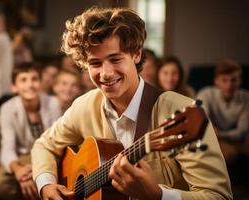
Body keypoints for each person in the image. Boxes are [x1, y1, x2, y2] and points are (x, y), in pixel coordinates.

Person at [31, 7, 232, 200]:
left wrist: (159, 196)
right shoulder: (84, 106)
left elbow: (218, 196)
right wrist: (46, 184)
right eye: (95, 63)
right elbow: (44, 145)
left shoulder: (181, 112)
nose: (106, 73)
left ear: (136, 54)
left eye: (115, 59)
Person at [0, 62, 62, 200]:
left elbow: (57, 141)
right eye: (23, 80)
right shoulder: (7, 108)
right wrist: (19, 171)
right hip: (22, 158)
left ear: (40, 83)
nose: (30, 85)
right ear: (14, 87)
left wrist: (37, 169)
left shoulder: (53, 103)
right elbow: (7, 148)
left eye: (34, 79)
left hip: (50, 153)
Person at [197, 59, 249, 165]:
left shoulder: (246, 97)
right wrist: (213, 131)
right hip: (214, 139)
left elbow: (242, 131)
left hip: (238, 139)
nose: (229, 85)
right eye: (224, 80)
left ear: (240, 80)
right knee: (227, 155)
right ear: (216, 81)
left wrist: (220, 134)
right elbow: (200, 117)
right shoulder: (206, 94)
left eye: (233, 80)